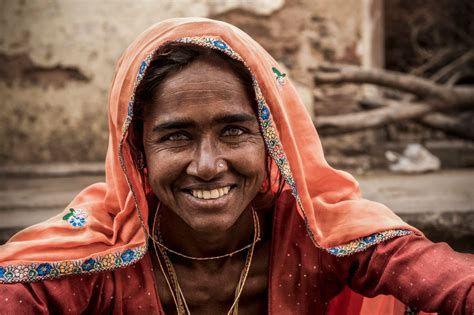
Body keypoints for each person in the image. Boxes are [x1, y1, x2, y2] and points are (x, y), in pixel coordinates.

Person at [0, 17, 472, 315]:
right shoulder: (98, 250)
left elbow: (441, 277)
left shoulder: (315, 230)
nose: (207, 166)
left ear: (272, 140)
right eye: (176, 136)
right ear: (136, 152)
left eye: (234, 131)